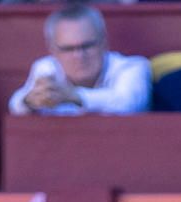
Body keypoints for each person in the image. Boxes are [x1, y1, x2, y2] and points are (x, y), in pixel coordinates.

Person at [8, 3, 150, 117]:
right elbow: (17, 104)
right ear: (53, 50)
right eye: (68, 49)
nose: (79, 56)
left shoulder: (132, 67)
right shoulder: (47, 67)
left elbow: (127, 102)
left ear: (104, 42)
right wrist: (30, 101)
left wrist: (74, 96)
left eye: (87, 46)